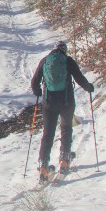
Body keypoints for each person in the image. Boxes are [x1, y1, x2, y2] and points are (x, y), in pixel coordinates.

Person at [31, 40, 94, 181]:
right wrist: (89, 87)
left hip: (49, 104)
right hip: (66, 102)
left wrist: (37, 92)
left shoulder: (45, 61)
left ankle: (43, 165)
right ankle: (64, 160)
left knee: (48, 134)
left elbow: (34, 82)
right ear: (64, 50)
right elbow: (79, 78)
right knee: (66, 128)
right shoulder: (68, 61)